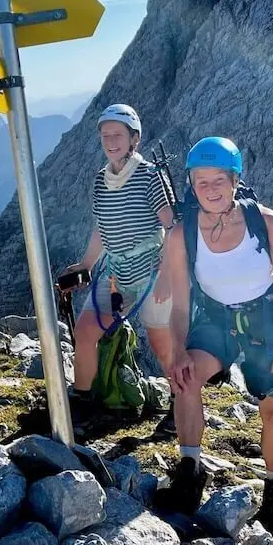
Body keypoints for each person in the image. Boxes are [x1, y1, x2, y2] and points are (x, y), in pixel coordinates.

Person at [159, 136, 273, 541]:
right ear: (191, 184)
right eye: (201, 181)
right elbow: (180, 304)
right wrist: (179, 352)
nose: (210, 189)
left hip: (265, 321)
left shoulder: (266, 222)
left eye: (218, 179)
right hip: (216, 317)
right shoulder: (181, 235)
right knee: (185, 379)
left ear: (235, 180)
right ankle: (190, 470)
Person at [64, 104, 176, 423]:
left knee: (162, 343)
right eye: (105, 135)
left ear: (134, 139)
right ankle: (83, 402)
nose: (111, 141)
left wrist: (167, 272)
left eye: (118, 135)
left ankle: (180, 406)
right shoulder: (101, 181)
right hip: (116, 273)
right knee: (86, 333)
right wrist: (85, 264)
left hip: (152, 272)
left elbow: (171, 227)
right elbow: (102, 227)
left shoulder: (150, 176)